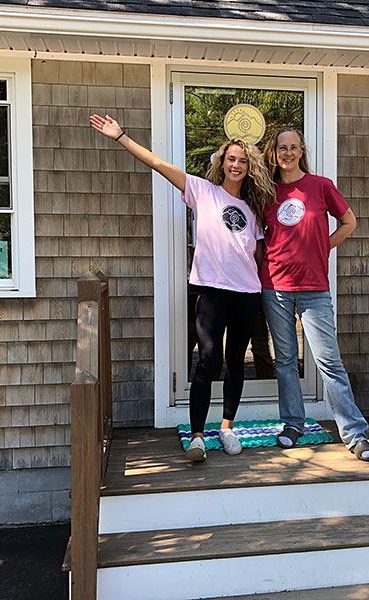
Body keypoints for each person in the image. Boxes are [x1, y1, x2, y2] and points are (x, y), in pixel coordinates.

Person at [90, 114, 275, 461]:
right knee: (207, 361)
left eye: (243, 161)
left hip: (248, 293)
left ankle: (227, 428)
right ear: (222, 163)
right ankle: (197, 437)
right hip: (211, 290)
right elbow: (158, 163)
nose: (236, 165)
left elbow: (260, 253)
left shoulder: (254, 208)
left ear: (250, 167)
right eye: (231, 159)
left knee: (236, 361)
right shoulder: (203, 191)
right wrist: (121, 137)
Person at [261, 127, 369, 461]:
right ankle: (293, 424)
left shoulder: (321, 186)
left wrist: (321, 246)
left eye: (293, 147)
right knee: (285, 361)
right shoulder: (266, 191)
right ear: (274, 153)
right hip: (274, 287)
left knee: (329, 361)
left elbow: (349, 222)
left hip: (313, 287)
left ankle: (354, 434)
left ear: (302, 152)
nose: (287, 153)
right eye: (282, 148)